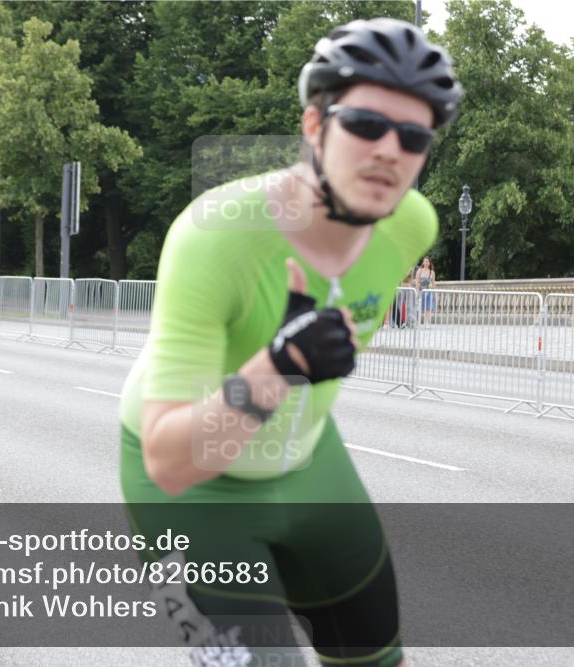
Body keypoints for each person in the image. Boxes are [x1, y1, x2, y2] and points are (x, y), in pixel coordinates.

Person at [119, 17, 462, 667]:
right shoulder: (213, 239)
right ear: (314, 126)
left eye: (414, 135)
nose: (390, 148)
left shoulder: (412, 223)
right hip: (194, 493)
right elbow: (169, 460)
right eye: (365, 124)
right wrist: (279, 365)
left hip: (310, 465)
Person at [416, 256, 436, 326]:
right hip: (422, 291)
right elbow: (417, 282)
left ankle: (427, 322)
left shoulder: (432, 272)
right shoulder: (420, 271)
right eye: (424, 261)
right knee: (421, 307)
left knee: (429, 307)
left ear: (429, 263)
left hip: (429, 291)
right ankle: (419, 321)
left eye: (427, 261)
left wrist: (435, 292)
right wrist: (417, 291)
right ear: (423, 262)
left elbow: (433, 283)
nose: (426, 263)